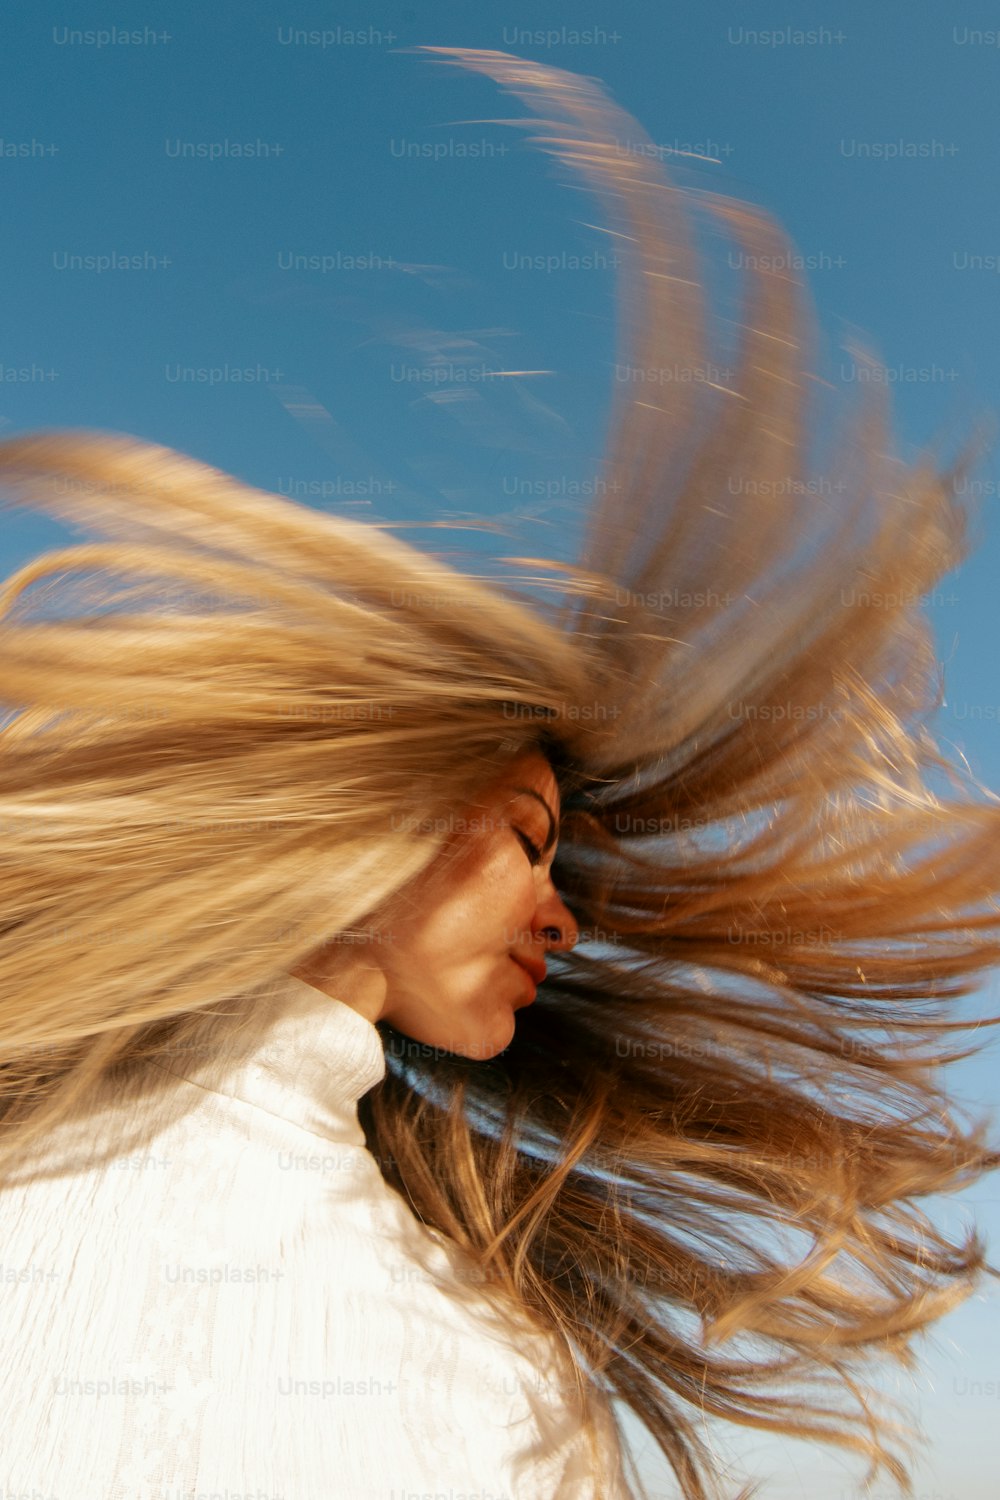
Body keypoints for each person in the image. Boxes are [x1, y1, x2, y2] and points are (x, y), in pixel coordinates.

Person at [0, 42, 998, 1500]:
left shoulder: (479, 1349)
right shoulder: (463, 1363)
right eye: (530, 838)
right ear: (381, 810)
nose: (562, 915)